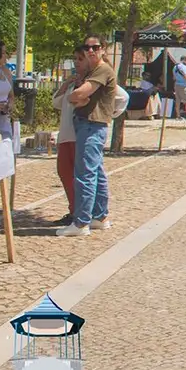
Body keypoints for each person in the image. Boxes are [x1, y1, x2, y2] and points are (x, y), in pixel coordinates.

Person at [57, 36, 118, 237]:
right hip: (91, 124)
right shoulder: (93, 71)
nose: (90, 50)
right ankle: (100, 217)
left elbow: (78, 94)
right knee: (97, 172)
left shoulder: (101, 70)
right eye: (87, 47)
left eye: (95, 47)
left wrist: (79, 99)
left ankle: (81, 222)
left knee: (85, 174)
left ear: (103, 49)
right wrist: (79, 100)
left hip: (92, 125)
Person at [52, 46, 88, 225]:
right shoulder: (74, 83)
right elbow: (56, 102)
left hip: (80, 135)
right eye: (75, 59)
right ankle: (73, 209)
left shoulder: (92, 81)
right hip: (65, 135)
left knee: (81, 176)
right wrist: (66, 84)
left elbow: (120, 97)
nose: (76, 63)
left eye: (80, 59)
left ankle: (83, 213)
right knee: (65, 173)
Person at [0, 38, 13, 142]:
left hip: (4, 123)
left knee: (6, 155)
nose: (6, 56)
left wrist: (10, 104)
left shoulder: (5, 71)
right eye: (3, 53)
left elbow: (11, 95)